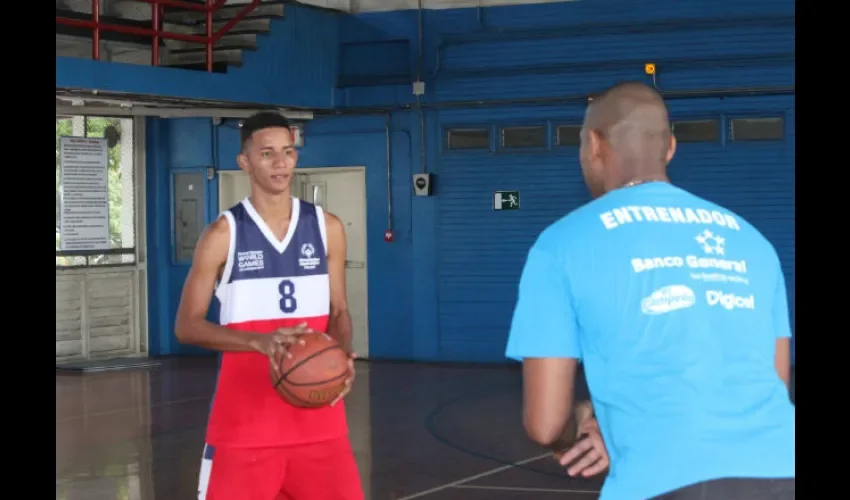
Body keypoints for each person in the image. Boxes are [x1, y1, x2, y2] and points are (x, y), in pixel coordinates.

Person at [505, 81, 795, 500]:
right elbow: (774, 383)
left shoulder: (561, 245)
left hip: (663, 483)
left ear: (593, 145)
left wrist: (582, 421)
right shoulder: (753, 242)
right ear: (670, 148)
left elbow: (545, 424)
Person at [174, 111, 363, 500]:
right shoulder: (222, 235)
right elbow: (187, 325)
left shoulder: (327, 228)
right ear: (244, 162)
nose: (280, 162)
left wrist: (340, 359)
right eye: (267, 153)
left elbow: (339, 312)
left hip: (321, 427)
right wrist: (256, 342)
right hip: (244, 430)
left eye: (288, 152)